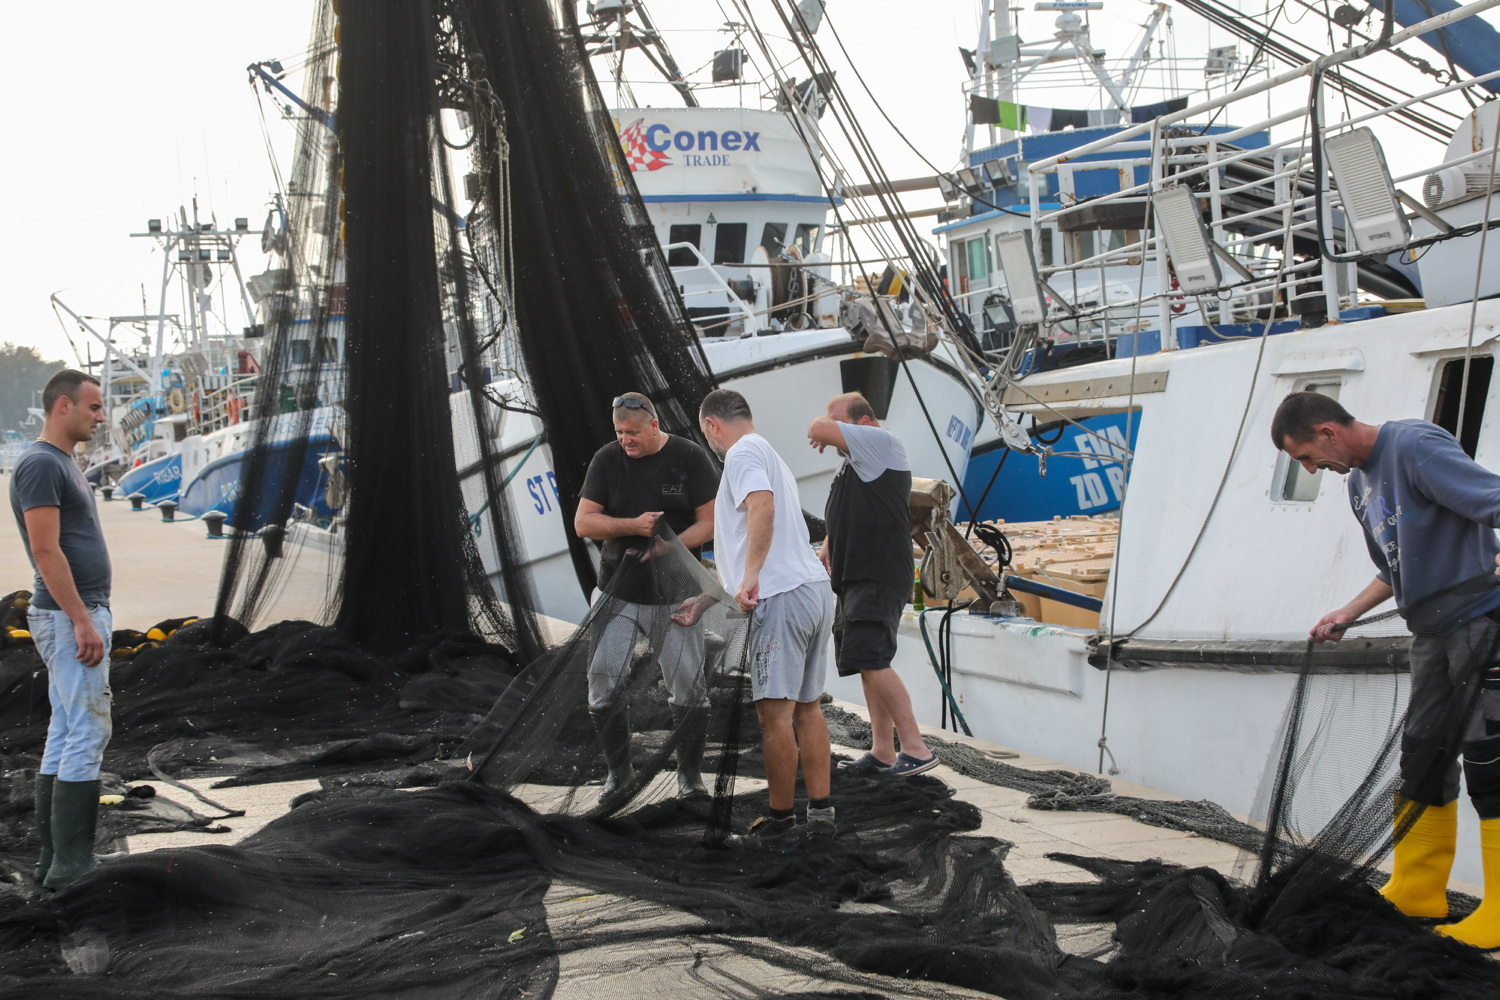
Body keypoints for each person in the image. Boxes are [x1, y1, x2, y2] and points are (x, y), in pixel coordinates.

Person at [1274, 390, 1500, 949]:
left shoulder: (1414, 445)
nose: (1312, 470)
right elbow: (1391, 567)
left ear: (1328, 431)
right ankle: (1419, 887)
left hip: (1480, 623)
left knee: (1491, 760)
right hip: (1430, 632)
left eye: (1307, 456)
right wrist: (1347, 613)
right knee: (1422, 754)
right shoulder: (1359, 483)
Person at [698, 388, 835, 848]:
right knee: (808, 706)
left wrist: (751, 576)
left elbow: (762, 506)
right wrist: (708, 599)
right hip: (813, 589)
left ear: (713, 426)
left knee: (773, 715)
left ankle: (779, 824)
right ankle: (821, 812)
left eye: (707, 435)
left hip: (781, 597)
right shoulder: (771, 453)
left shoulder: (740, 453)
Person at [574, 392, 718, 805]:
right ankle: (619, 773)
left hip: (676, 595)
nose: (626, 440)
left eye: (633, 432)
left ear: (654, 425)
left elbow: (710, 521)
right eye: (619, 433)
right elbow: (584, 522)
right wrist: (633, 527)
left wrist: (668, 546)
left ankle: (690, 778)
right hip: (616, 593)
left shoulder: (689, 457)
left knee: (689, 690)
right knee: (602, 684)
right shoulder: (606, 459)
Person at [9, 370, 112, 889]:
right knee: (89, 730)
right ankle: (73, 864)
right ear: (63, 407)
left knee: (67, 729)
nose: (101, 416)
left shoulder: (60, 463)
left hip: (76, 611)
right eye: (93, 407)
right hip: (69, 614)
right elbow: (45, 551)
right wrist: (81, 620)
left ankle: (55, 862)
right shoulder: (41, 465)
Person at [808, 392, 936, 776]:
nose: (832, 432)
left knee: (872, 657)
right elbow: (852, 507)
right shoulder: (853, 462)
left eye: (839, 422)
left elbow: (816, 428)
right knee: (865, 662)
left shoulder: (882, 442)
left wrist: (823, 429)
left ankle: (916, 748)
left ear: (865, 424)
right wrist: (830, 545)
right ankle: (882, 751)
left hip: (878, 573)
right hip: (853, 576)